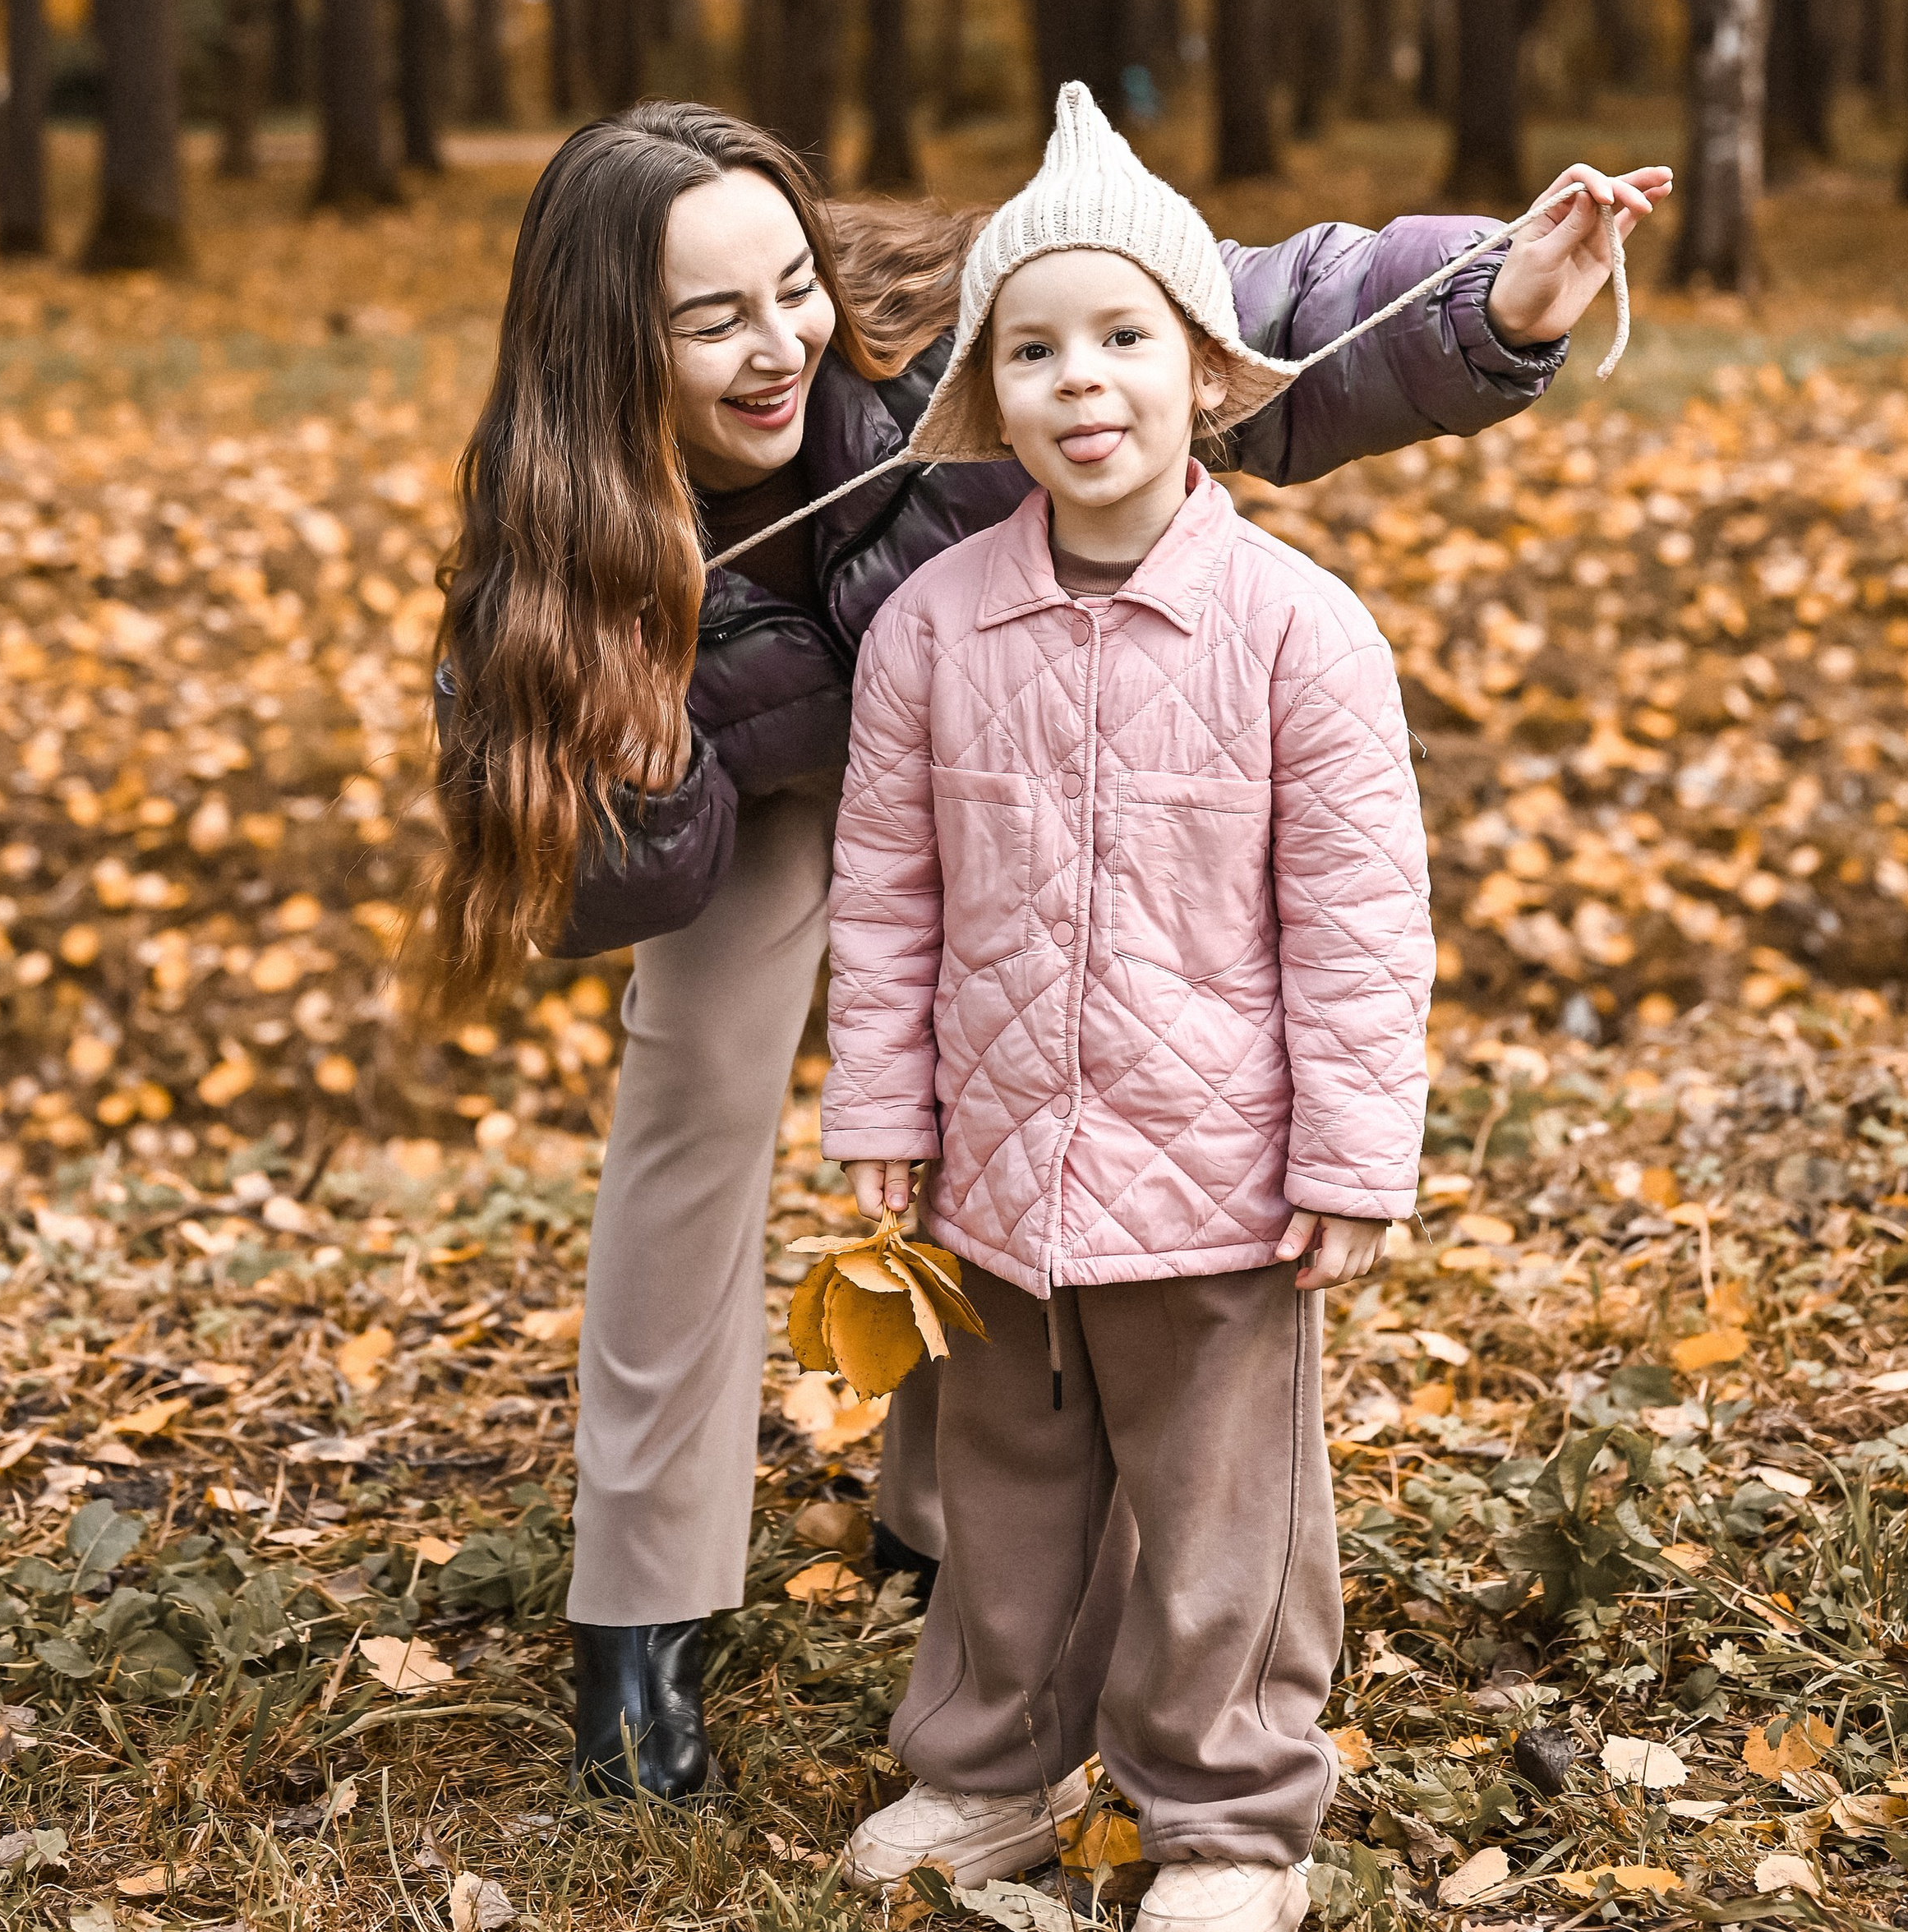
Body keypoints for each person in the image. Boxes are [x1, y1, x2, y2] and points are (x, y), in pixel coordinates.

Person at [422, 97, 1669, 1802]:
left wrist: (1494, 297)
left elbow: (1255, 313)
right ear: (602, 343)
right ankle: (640, 1604)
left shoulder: (956, 331)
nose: (778, 340)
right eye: (710, 319)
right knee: (701, 1065)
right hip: (767, 784)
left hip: (999, 722)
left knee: (1031, 1020)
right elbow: (556, 886)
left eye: (787, 282)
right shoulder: (552, 528)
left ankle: (950, 1500)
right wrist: (637, 756)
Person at [824, 85, 1440, 1932]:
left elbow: (1355, 913)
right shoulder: (931, 626)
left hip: (1222, 1177)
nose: (1080, 382)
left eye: (1122, 340)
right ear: (987, 399)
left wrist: (1350, 1149)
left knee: (1220, 1518)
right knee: (1001, 1484)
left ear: (1201, 370)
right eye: (1033, 347)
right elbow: (887, 893)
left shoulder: (1293, 629)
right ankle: (993, 1757)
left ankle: (1228, 1812)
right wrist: (882, 1109)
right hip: (1003, 1166)